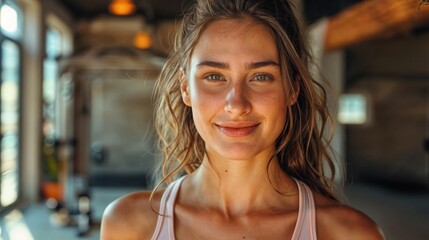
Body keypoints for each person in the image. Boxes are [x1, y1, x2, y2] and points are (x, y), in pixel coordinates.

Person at [101, 0, 385, 239]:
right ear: (186, 88)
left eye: (261, 77)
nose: (236, 104)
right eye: (214, 77)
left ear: (293, 88)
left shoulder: (348, 233)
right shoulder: (129, 225)